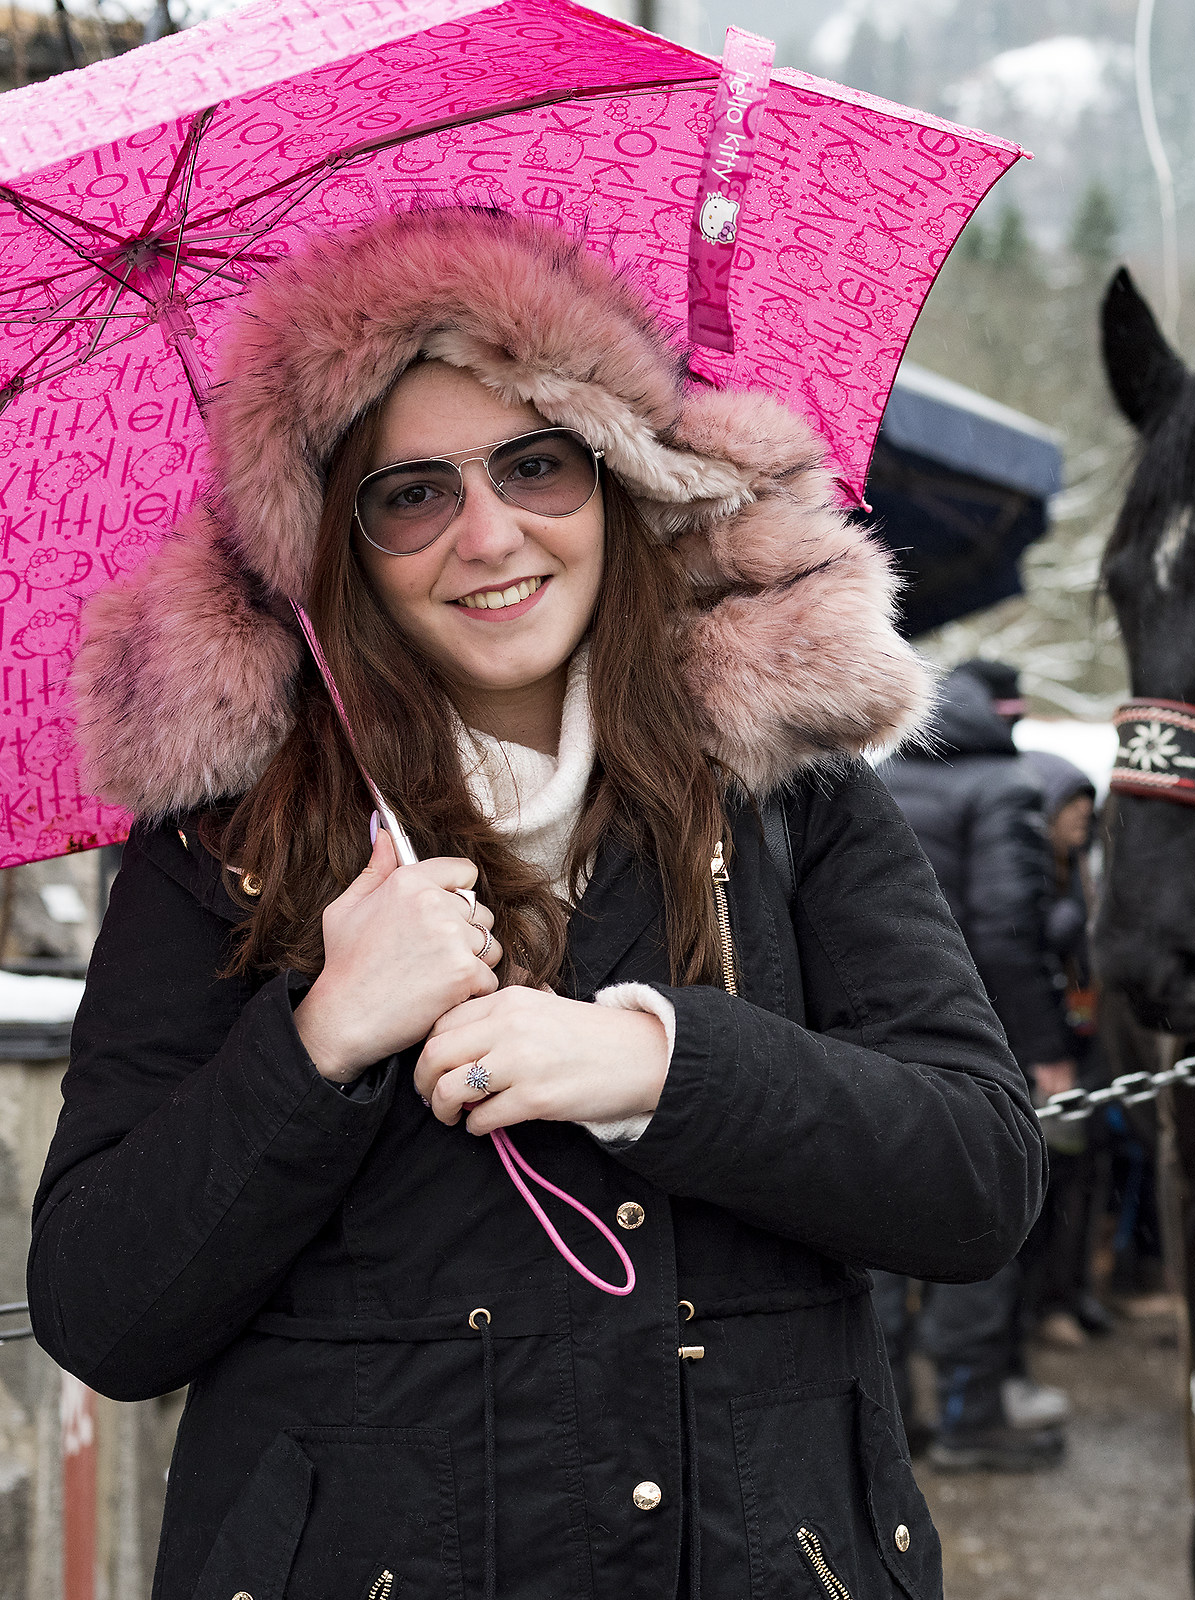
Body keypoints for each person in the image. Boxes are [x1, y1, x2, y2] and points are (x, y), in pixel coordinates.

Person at [32, 210, 1042, 1600]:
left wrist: (662, 1066)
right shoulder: (227, 837)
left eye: (536, 465)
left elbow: (977, 1179)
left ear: (614, 475)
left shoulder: (777, 780)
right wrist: (319, 1041)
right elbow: (104, 1310)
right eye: (411, 495)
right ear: (337, 543)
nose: (489, 534)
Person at [875, 662, 1074, 1470]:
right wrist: (1047, 1045)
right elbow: (1005, 929)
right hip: (970, 1038)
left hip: (871, 1036)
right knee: (978, 1219)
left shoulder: (882, 774)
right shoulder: (1006, 785)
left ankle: (888, 1428)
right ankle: (970, 1416)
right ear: (1006, 715)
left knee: (877, 1230)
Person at [1015, 749, 1113, 1349]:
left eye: (1086, 806)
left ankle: (1069, 1292)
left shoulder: (1081, 871)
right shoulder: (1027, 874)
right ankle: (1039, 1305)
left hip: (1080, 1045)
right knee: (1043, 1184)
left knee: (1080, 1175)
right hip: (1040, 1053)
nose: (1082, 816)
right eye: (1071, 805)